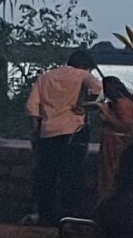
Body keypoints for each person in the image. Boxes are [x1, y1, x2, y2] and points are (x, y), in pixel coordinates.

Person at [25, 46, 103, 225]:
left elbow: (32, 106)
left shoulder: (45, 77)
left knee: (47, 177)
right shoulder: (82, 75)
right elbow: (101, 91)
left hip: (48, 132)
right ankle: (71, 217)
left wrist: (37, 129)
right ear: (85, 66)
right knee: (72, 176)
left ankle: (47, 216)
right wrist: (86, 106)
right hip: (74, 132)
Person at [95, 76, 133, 199]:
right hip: (111, 144)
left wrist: (107, 117)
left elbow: (128, 127)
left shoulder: (123, 104)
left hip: (117, 144)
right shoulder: (118, 103)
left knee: (113, 175)